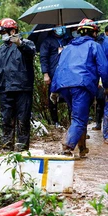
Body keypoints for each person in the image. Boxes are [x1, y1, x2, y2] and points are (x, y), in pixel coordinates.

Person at [50, 18, 108, 156]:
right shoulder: (94, 46)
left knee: (78, 116)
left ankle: (82, 148)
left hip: (65, 86)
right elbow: (104, 68)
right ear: (94, 33)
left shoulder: (68, 48)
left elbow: (59, 69)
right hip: (81, 85)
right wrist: (106, 86)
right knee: (79, 119)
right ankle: (67, 148)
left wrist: (54, 90)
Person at [0, 18, 36, 151]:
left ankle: (21, 149)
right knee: (6, 121)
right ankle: (7, 148)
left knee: (23, 120)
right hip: (5, 89)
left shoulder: (27, 44)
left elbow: (30, 53)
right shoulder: (1, 50)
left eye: (4, 32)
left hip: (22, 88)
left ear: (13, 31)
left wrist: (20, 43)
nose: (2, 36)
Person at [40, 25, 70, 127]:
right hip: (53, 74)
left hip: (68, 74)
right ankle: (55, 121)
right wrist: (45, 74)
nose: (60, 29)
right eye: (57, 27)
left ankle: (72, 121)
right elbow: (43, 58)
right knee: (52, 98)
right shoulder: (47, 42)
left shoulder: (68, 39)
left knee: (70, 97)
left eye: (62, 26)